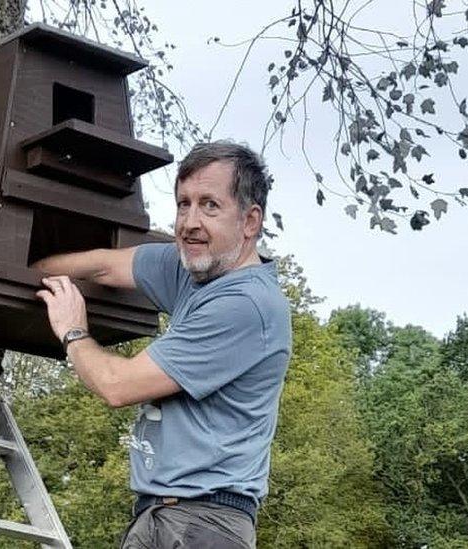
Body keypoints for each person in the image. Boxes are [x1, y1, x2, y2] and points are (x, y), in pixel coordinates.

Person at [32, 141, 291, 549]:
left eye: (210, 205)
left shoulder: (246, 306)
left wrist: (73, 331)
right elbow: (104, 264)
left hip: (205, 524)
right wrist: (24, 270)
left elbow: (119, 386)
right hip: (159, 515)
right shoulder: (192, 269)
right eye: (183, 204)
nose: (190, 221)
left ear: (250, 221)